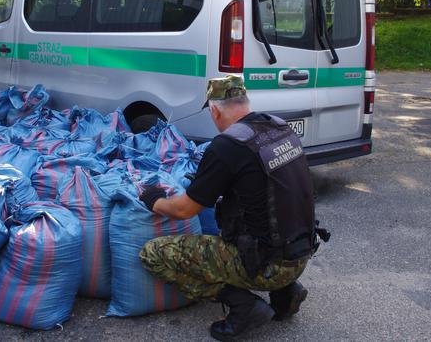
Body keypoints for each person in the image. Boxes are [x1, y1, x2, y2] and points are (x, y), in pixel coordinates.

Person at [139, 74, 328, 341]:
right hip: (300, 254)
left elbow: (184, 211)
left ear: (214, 110)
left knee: (154, 253)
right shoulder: (279, 128)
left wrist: (155, 200)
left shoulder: (228, 145)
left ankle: (243, 304)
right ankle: (286, 292)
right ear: (245, 101)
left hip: (267, 265)